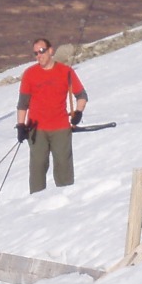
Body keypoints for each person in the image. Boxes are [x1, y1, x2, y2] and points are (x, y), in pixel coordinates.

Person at [16, 37, 87, 194]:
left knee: (63, 166)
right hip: (36, 129)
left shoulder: (66, 71)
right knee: (38, 167)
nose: (39, 56)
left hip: (60, 128)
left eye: (41, 51)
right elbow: (22, 104)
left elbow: (81, 95)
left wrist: (78, 112)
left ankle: (66, 199)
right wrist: (21, 126)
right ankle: (36, 200)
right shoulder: (30, 74)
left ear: (50, 50)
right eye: (35, 53)